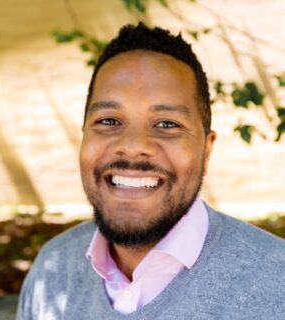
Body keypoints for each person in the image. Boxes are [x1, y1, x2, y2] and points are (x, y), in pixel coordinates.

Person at [16, 23, 285, 319]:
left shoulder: (276, 284)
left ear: (206, 151)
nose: (132, 146)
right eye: (108, 121)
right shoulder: (53, 271)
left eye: (167, 124)